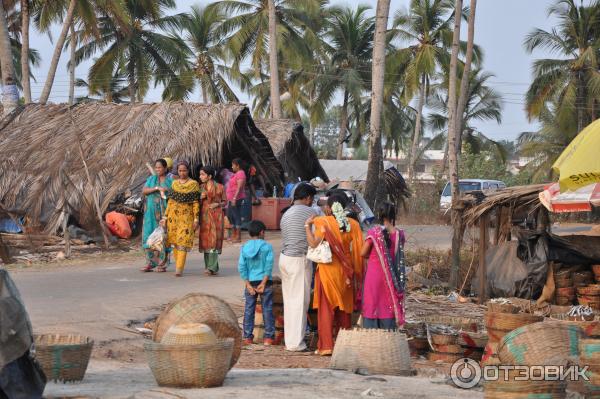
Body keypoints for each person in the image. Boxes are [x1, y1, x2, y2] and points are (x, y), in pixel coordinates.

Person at [305, 193, 363, 356]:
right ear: (344, 207)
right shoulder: (353, 224)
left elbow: (313, 244)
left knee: (326, 310)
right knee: (344, 310)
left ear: (329, 208)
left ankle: (327, 346)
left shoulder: (322, 222)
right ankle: (344, 346)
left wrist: (307, 227)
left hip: (327, 271)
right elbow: (359, 252)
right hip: (346, 273)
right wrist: (357, 275)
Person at [279, 183, 317, 352]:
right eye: (312, 198)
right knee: (300, 302)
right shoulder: (311, 213)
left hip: (285, 258)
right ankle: (296, 344)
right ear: (308, 198)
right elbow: (316, 238)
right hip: (299, 260)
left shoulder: (286, 214)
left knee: (290, 301)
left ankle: (290, 340)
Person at [360, 202, 406, 329]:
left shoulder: (374, 233)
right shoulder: (399, 234)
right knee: (387, 304)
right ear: (393, 215)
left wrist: (375, 256)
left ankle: (372, 337)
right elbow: (397, 257)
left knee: (372, 303)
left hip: (374, 276)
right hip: (391, 279)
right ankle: (388, 338)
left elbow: (362, 253)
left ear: (379, 215)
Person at [237, 221, 275, 346]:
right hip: (265, 282)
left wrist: (247, 284)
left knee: (249, 309)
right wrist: (263, 283)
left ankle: (247, 337)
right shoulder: (267, 247)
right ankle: (268, 338)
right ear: (262, 232)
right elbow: (268, 266)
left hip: (250, 282)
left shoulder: (244, 247)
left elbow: (242, 267)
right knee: (267, 309)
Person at [160, 161, 200, 277]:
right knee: (175, 242)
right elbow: (170, 202)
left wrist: (196, 219)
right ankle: (178, 264)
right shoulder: (174, 184)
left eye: (184, 170)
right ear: (177, 171)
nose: (182, 173)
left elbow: (195, 203)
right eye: (180, 171)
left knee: (183, 241)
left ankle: (179, 268)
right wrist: (165, 217)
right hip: (173, 218)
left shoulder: (193, 184)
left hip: (187, 218)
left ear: (188, 171)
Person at [141, 159, 173, 272]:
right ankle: (150, 262)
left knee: (162, 238)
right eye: (156, 168)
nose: (158, 169)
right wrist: (156, 188)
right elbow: (144, 191)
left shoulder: (170, 181)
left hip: (164, 214)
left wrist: (166, 190)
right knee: (148, 236)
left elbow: (174, 194)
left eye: (160, 167)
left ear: (165, 168)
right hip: (150, 213)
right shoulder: (151, 179)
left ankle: (162, 263)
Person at [198, 166, 227, 276]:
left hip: (216, 216)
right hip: (205, 216)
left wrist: (218, 204)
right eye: (200, 174)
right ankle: (208, 266)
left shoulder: (220, 187)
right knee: (206, 240)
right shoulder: (201, 188)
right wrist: (200, 198)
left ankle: (212, 267)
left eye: (202, 174)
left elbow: (225, 202)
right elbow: (196, 203)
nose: (200, 177)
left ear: (209, 176)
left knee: (214, 240)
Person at [226, 158, 247, 243]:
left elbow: (239, 187)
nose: (232, 166)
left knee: (236, 216)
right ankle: (234, 235)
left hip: (237, 198)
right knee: (230, 215)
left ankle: (238, 237)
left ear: (237, 165)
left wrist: (234, 198)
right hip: (232, 198)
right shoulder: (237, 173)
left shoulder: (241, 173)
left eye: (233, 165)